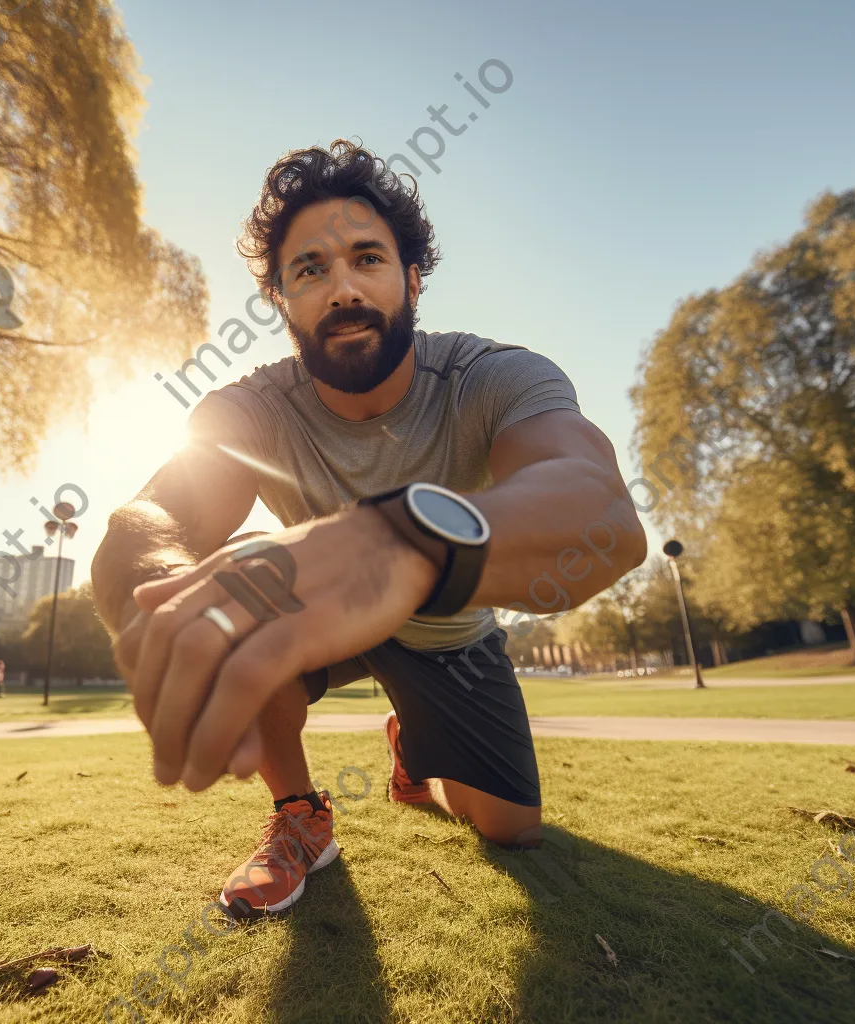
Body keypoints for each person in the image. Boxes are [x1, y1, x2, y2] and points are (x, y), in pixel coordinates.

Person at [91, 140, 647, 921]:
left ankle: (411, 755)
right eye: (309, 270)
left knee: (511, 831)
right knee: (239, 587)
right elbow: (144, 521)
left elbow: (605, 516)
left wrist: (404, 541)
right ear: (282, 301)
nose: (342, 288)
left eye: (367, 259)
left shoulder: (493, 377)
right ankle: (299, 819)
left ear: (413, 277)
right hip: (320, 617)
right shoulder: (248, 410)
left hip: (449, 635)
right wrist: (166, 589)